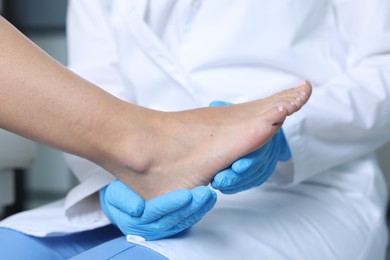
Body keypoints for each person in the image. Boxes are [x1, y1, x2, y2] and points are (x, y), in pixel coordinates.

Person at [3, 0, 390, 259]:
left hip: (307, 186)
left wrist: (286, 135)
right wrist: (108, 184)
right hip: (138, 177)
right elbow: (88, 88)